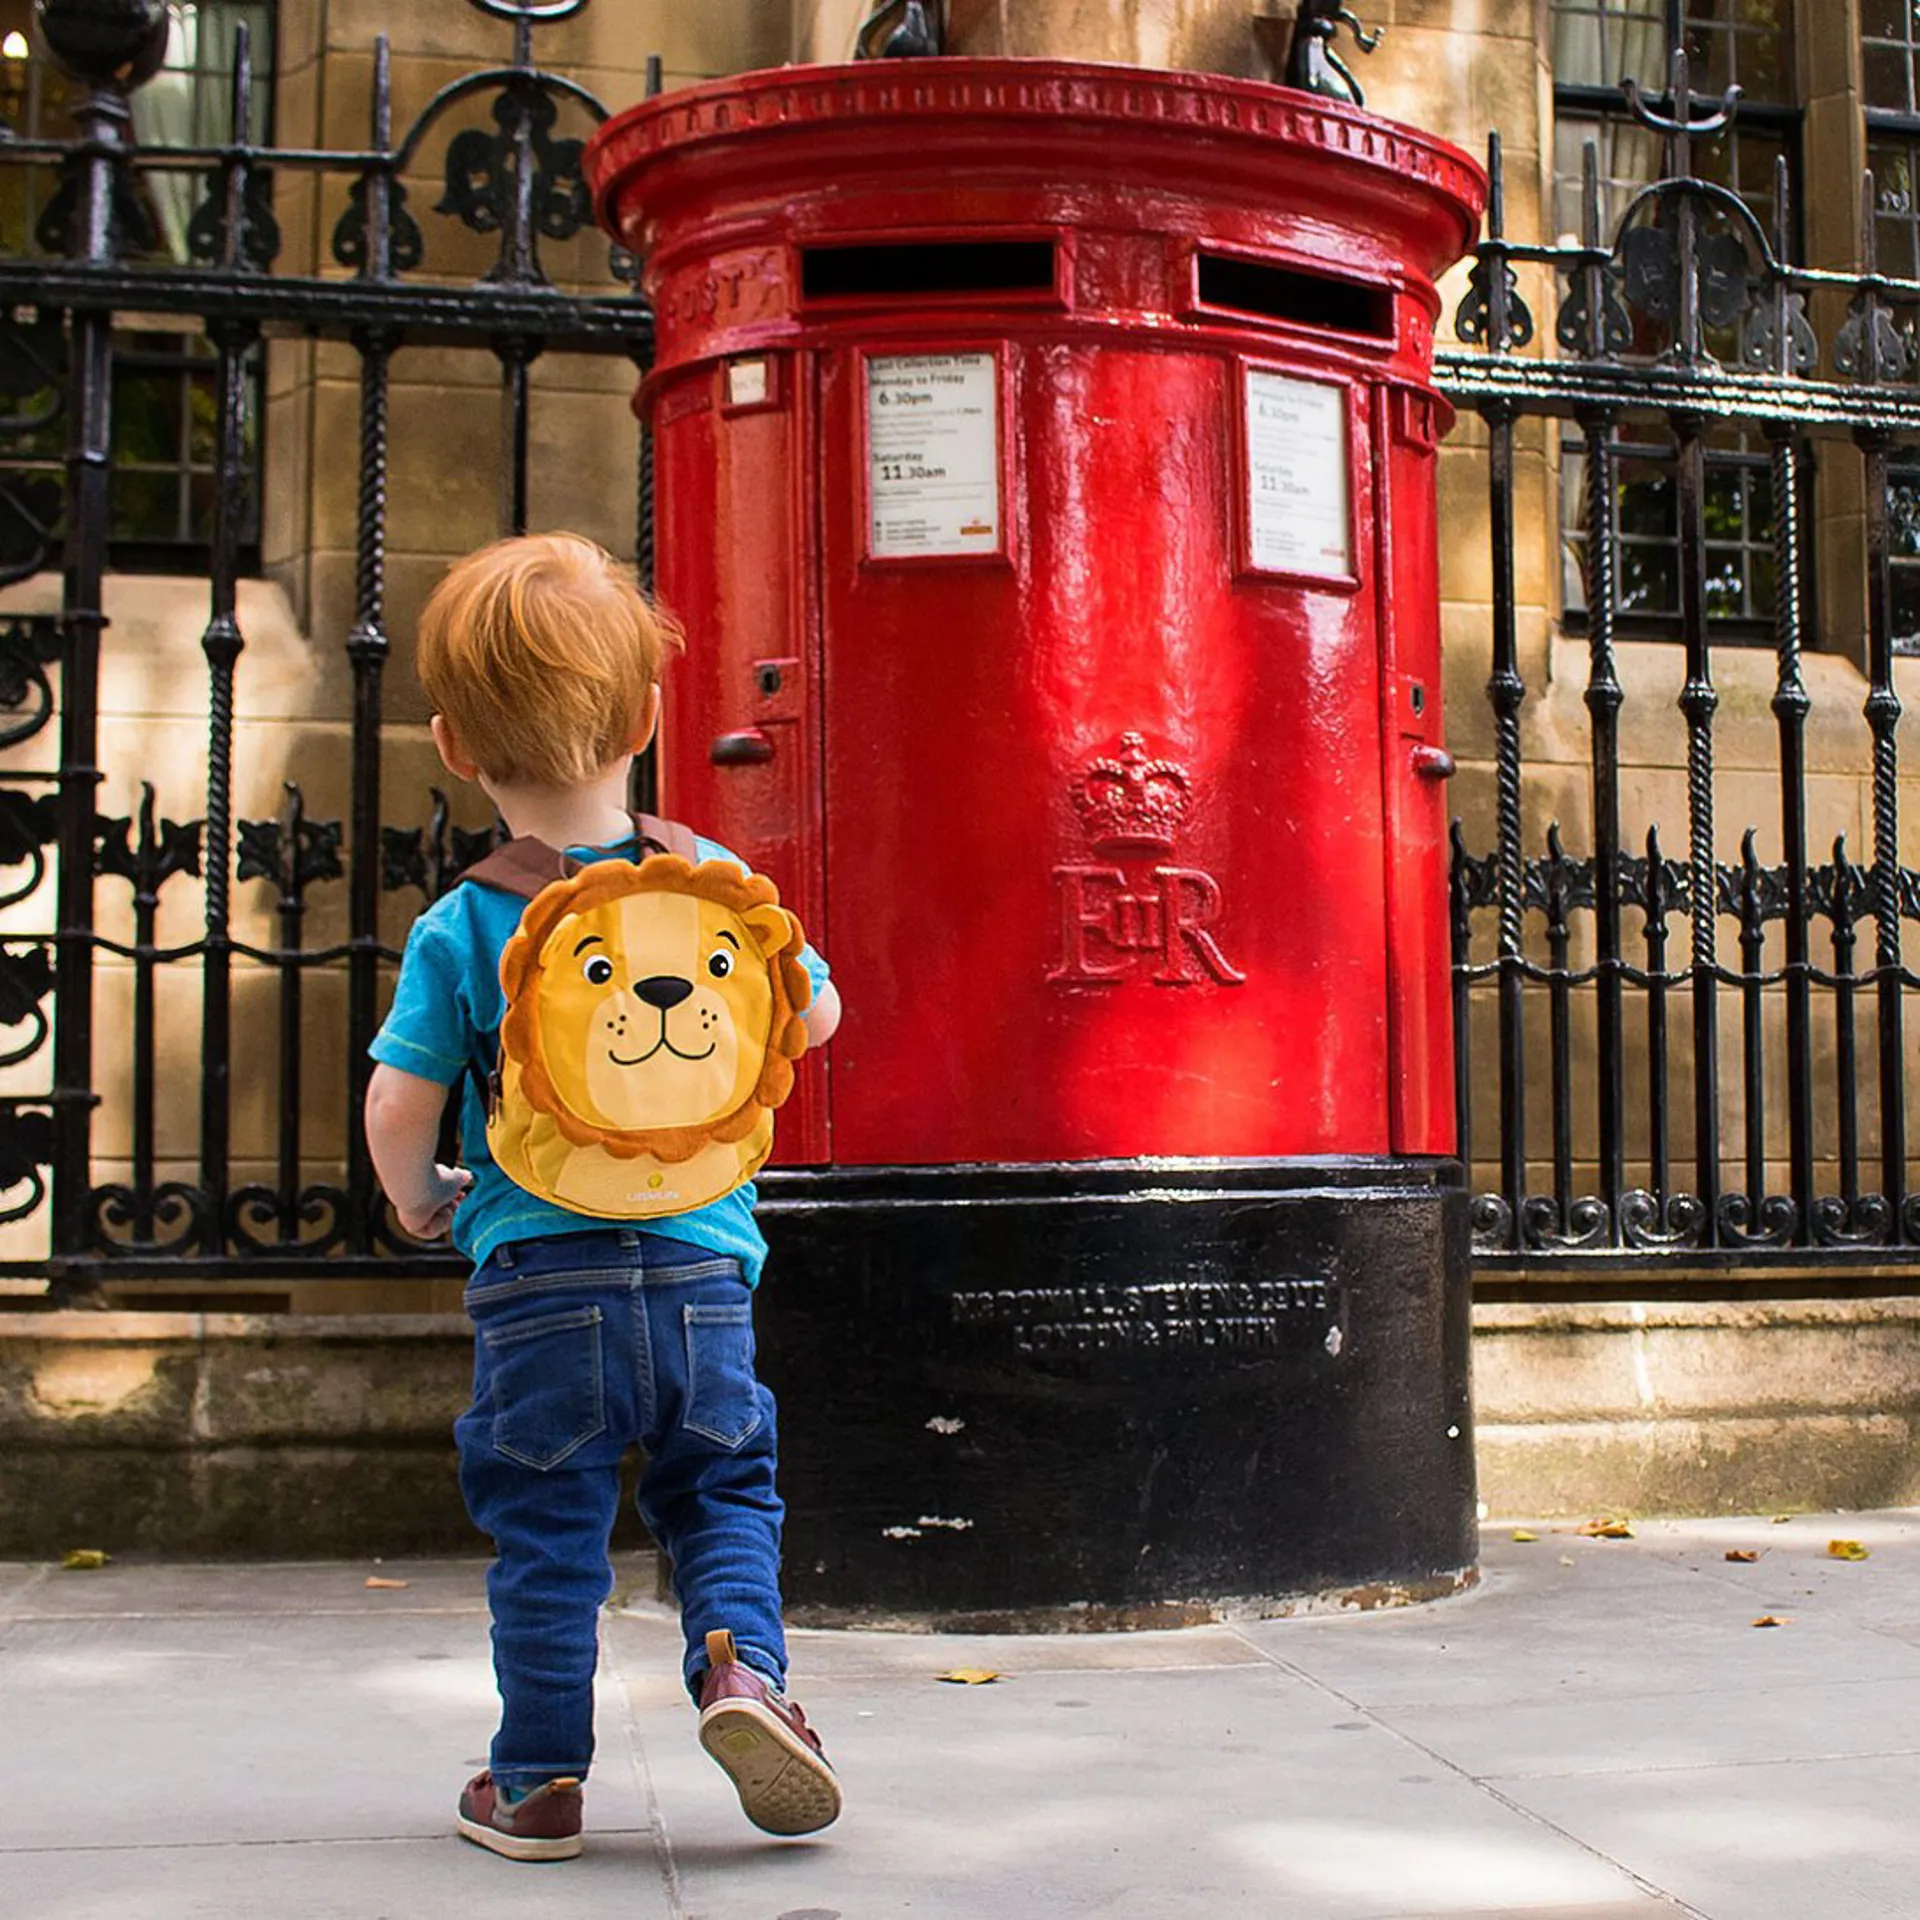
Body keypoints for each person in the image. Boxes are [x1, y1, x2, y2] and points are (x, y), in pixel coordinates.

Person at [362, 532, 843, 1861]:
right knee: (722, 1491)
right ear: (646, 721)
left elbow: (398, 1105)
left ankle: (536, 1785)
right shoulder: (712, 888)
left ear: (455, 748)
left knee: (548, 1532)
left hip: (539, 1285)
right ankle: (745, 1677)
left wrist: (419, 1199)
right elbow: (816, 1014)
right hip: (703, 1273)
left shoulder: (466, 924)